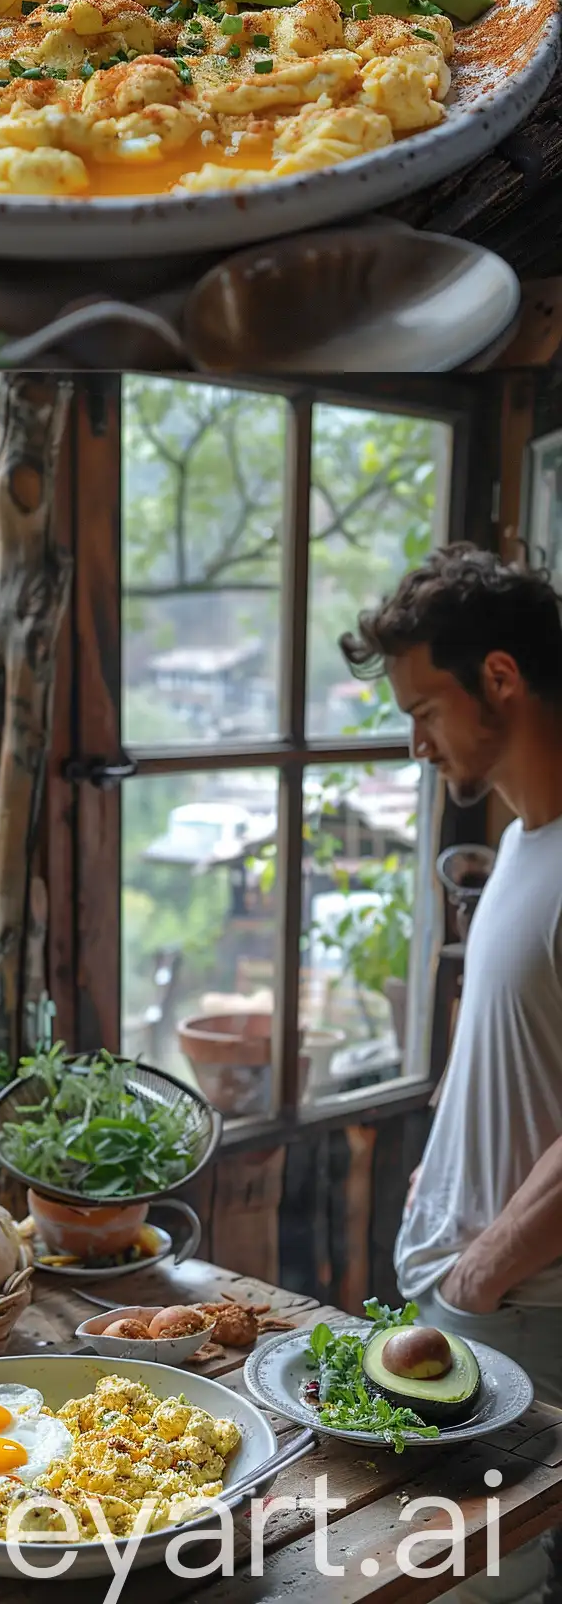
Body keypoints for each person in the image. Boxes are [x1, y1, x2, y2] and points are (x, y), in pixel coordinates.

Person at [342, 541, 562, 1604]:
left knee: (469, 1588)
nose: (414, 741)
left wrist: (480, 1269)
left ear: (500, 679)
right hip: (470, 1299)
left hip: (528, 1311)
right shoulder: (523, 838)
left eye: (423, 707)